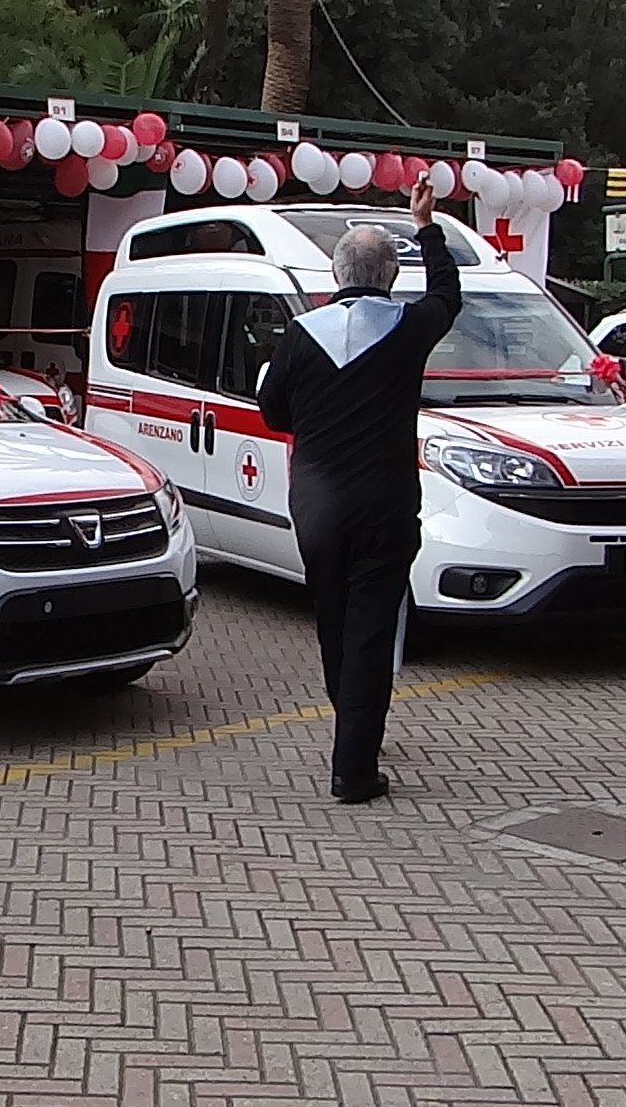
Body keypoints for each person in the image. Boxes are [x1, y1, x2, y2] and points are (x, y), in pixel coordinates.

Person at [258, 177, 464, 801]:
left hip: (317, 501)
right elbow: (449, 294)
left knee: (333, 617)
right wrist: (425, 223)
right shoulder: (409, 327)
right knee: (373, 627)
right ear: (392, 275)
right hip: (385, 501)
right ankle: (354, 766)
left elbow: (273, 414)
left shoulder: (300, 334)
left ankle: (349, 715)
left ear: (335, 270)